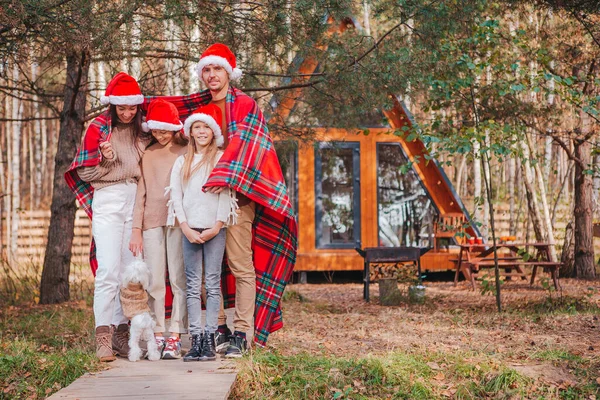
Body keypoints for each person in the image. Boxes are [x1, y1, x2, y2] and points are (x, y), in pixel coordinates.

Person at [148, 43, 298, 354]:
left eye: (217, 69)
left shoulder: (243, 105)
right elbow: (171, 124)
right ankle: (216, 328)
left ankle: (242, 332)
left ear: (228, 72)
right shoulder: (200, 107)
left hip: (237, 201)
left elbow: (248, 148)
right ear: (202, 74)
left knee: (241, 266)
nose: (212, 74)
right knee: (205, 271)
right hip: (201, 203)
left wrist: (222, 176)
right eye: (207, 69)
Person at [65, 72, 151, 361]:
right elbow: (86, 173)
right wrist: (105, 160)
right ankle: (103, 333)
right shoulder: (99, 129)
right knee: (108, 271)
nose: (127, 113)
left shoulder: (144, 129)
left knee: (131, 271)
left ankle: (122, 334)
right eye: (121, 108)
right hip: (109, 197)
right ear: (112, 105)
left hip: (136, 198)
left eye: (132, 108)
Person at [169, 104, 236, 362]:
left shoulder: (220, 159)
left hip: (214, 229)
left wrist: (217, 226)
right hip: (189, 229)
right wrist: (185, 226)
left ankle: (210, 338)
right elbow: (176, 196)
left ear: (213, 131)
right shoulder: (182, 162)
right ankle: (195, 339)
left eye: (206, 127)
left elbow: (226, 195)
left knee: (212, 283)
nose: (201, 131)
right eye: (197, 127)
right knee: (192, 285)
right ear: (190, 131)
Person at [128, 98, 188, 359]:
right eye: (156, 131)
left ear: (175, 128)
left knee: (178, 278)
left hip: (177, 220)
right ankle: (158, 331)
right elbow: (141, 193)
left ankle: (175, 333)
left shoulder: (186, 152)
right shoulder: (148, 154)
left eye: (165, 131)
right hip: (151, 221)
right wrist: (136, 229)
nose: (160, 136)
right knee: (153, 282)